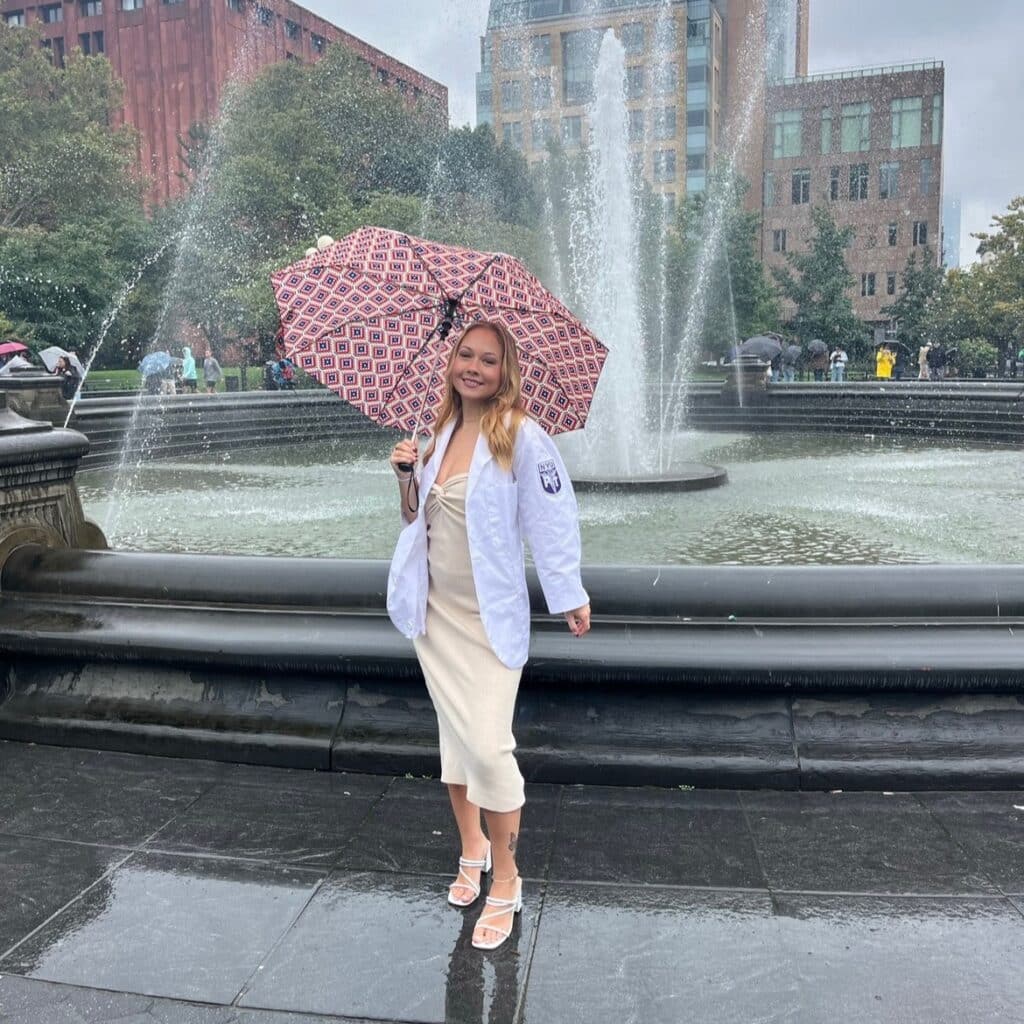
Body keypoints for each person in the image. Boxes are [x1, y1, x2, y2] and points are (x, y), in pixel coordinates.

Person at [387, 320, 590, 952]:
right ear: (450, 362)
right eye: (465, 355)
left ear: (507, 372)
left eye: (489, 360)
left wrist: (569, 591)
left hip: (487, 616)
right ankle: (471, 846)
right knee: (455, 738)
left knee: (488, 745)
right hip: (437, 610)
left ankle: (507, 875)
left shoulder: (521, 436)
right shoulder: (440, 432)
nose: (474, 367)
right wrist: (405, 476)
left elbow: (551, 517)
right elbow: (417, 517)